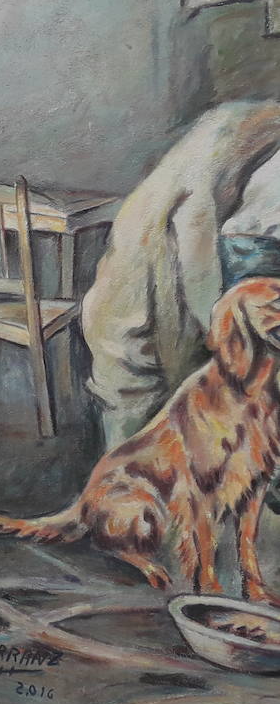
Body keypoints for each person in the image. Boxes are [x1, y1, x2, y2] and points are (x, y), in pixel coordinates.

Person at [82, 101, 280, 448]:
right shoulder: (238, 145)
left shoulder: (246, 129)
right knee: (136, 441)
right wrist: (223, 338)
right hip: (140, 303)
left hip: (144, 292)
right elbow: (201, 236)